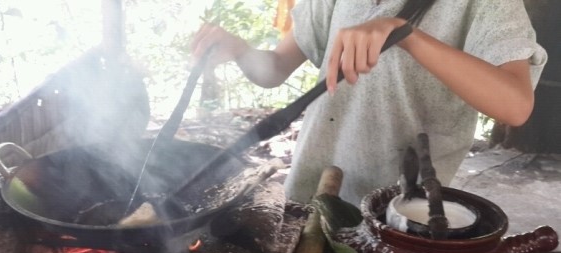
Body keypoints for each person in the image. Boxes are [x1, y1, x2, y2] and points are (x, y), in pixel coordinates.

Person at [190, 0, 547, 205]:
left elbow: (514, 105)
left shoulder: (486, 5)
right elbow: (274, 70)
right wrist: (239, 50)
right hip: (309, 191)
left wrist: (407, 36)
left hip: (400, 209)